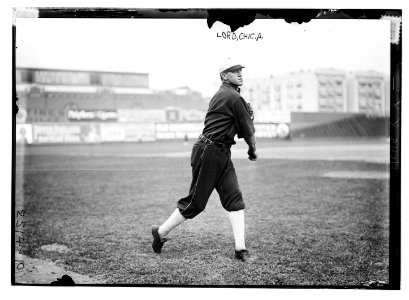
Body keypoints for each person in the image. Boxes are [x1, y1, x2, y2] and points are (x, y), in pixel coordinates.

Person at [152, 58, 257, 261]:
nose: (240, 73)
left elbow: (229, 123)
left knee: (234, 199)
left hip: (219, 151)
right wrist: (252, 151)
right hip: (209, 151)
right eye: (234, 71)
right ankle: (160, 232)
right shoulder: (233, 97)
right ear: (224, 76)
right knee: (196, 203)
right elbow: (248, 133)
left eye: (240, 70)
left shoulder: (225, 94)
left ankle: (240, 249)